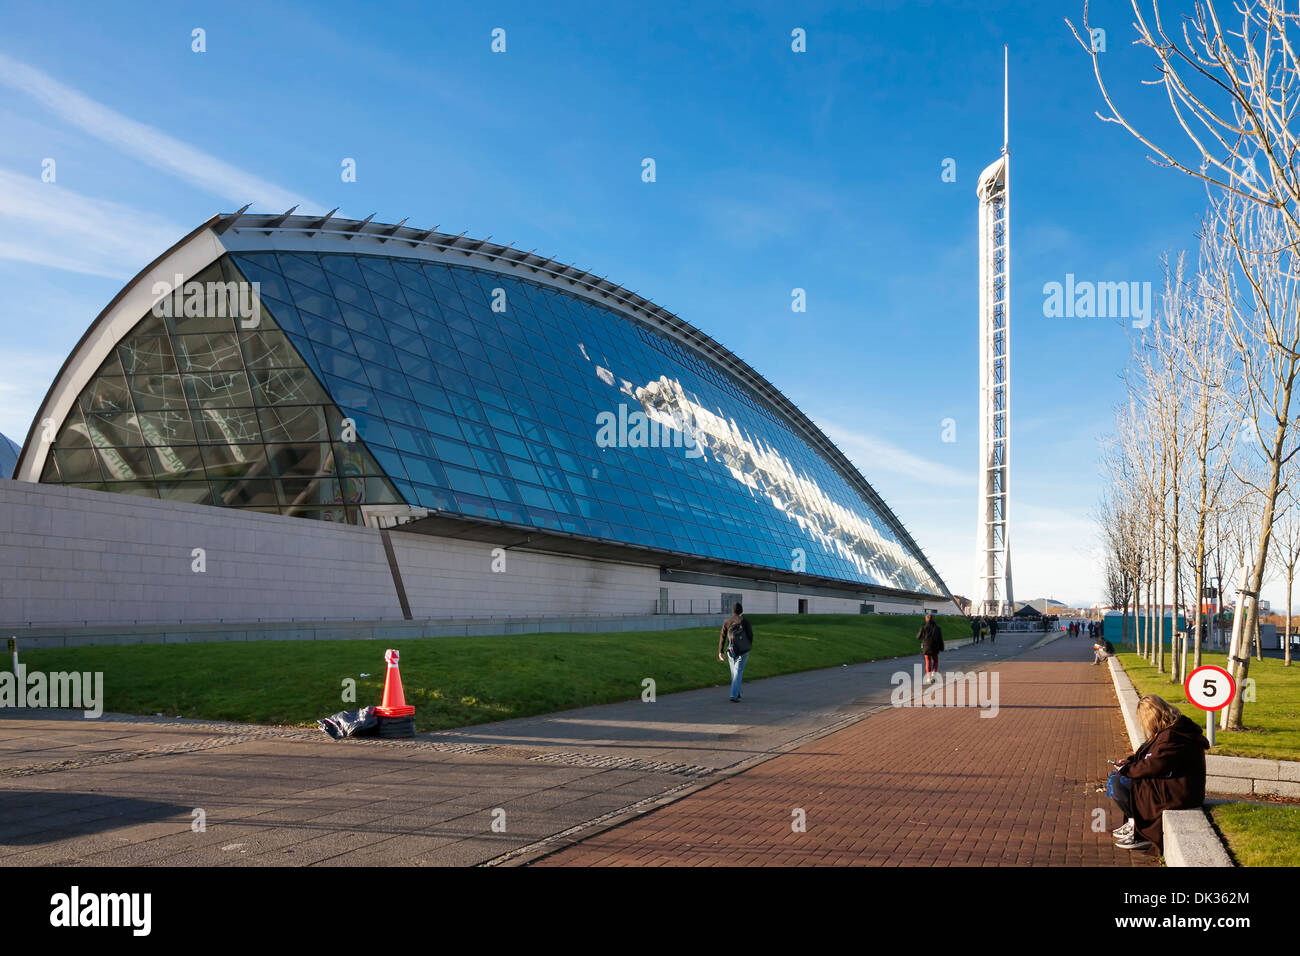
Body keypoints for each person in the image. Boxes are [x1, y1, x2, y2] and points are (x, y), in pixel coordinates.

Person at [1106, 695, 1210, 852]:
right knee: (1119, 780)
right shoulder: (1172, 730)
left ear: (1151, 718)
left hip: (1182, 791)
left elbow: (1156, 764)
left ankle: (1142, 833)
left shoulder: (1172, 735)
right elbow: (1149, 757)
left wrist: (1127, 770)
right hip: (1178, 784)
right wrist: (1129, 763)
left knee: (1119, 782)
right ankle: (1135, 824)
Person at [717, 602, 754, 702]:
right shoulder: (744, 621)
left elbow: (722, 637)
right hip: (742, 650)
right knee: (738, 672)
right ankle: (733, 695)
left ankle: (737, 693)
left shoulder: (727, 622)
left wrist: (720, 651)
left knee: (734, 673)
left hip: (731, 650)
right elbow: (750, 635)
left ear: (732, 611)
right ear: (741, 611)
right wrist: (748, 645)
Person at [917, 613, 944, 685]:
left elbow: (918, 637)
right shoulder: (938, 628)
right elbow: (940, 639)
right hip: (935, 647)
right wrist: (941, 648)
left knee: (928, 662)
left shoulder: (923, 627)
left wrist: (922, 633)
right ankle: (933, 674)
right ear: (933, 619)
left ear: (926, 619)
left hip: (926, 647)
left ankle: (928, 678)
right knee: (935, 661)